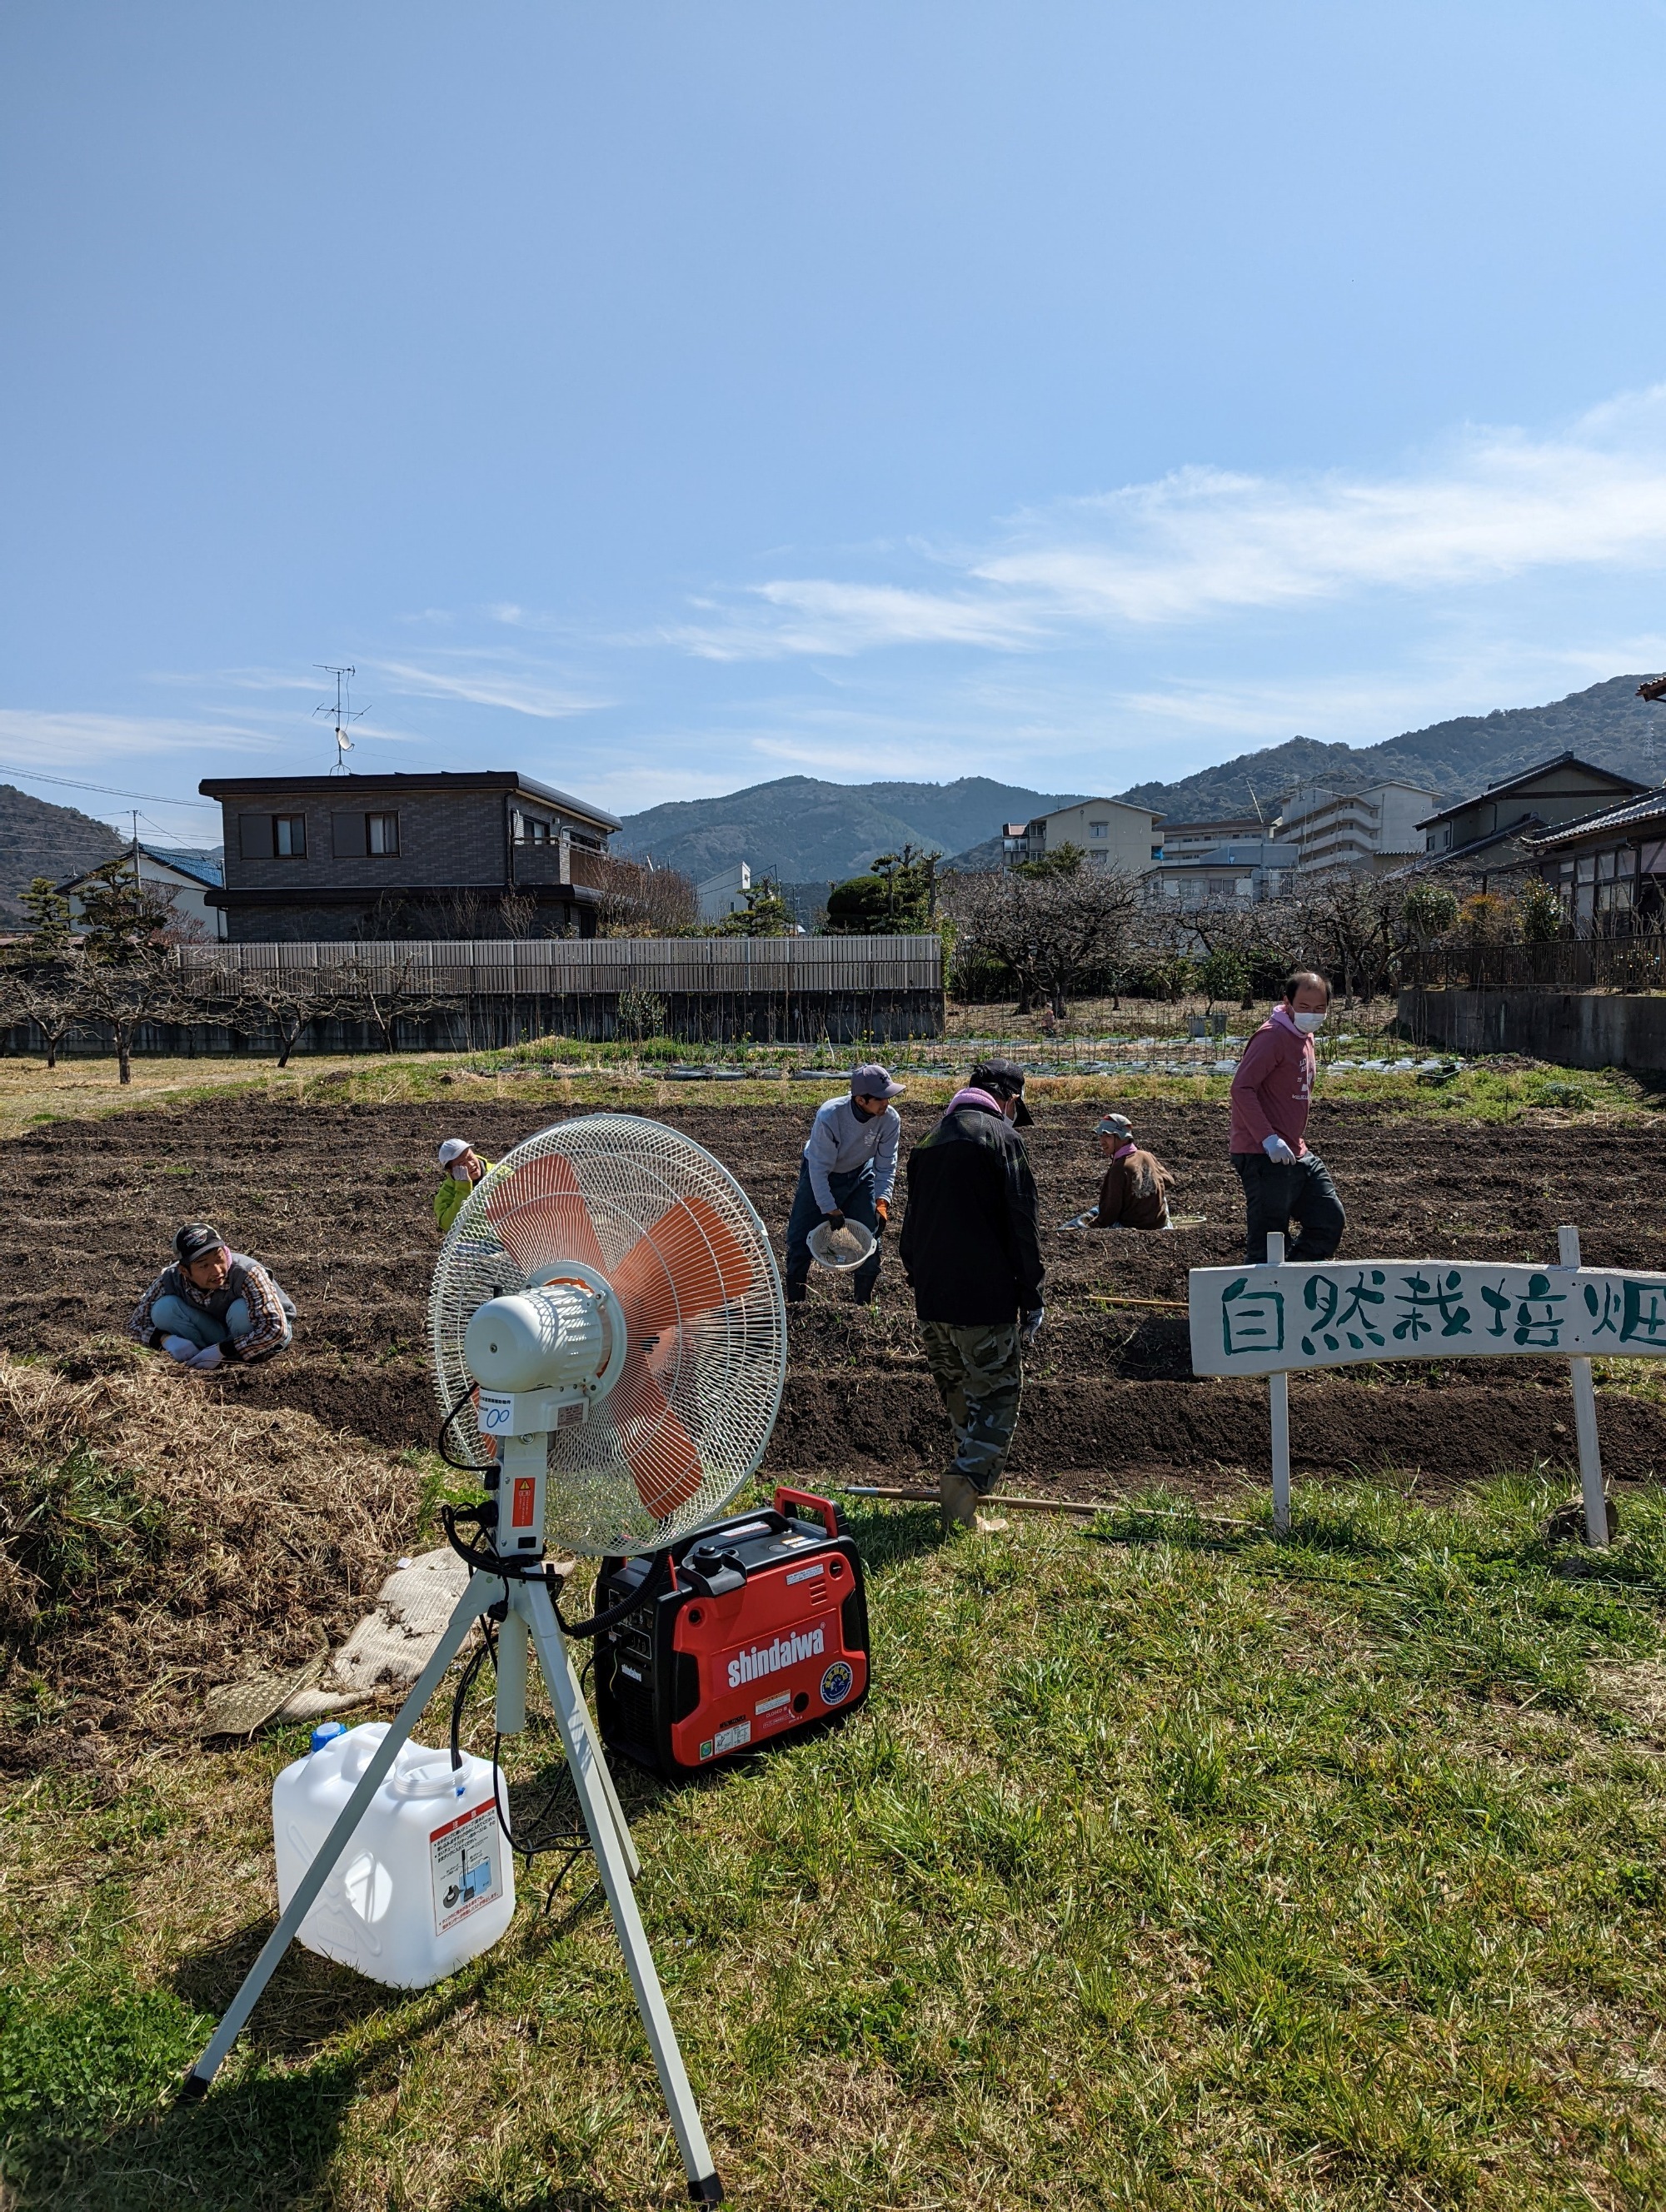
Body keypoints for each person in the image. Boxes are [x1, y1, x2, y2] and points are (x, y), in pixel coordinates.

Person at [899, 1058, 1045, 1531]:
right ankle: (964, 1483)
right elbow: (1023, 1224)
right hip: (984, 1300)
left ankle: (964, 1513)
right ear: (1008, 1099)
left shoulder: (927, 1143)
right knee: (998, 1396)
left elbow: (909, 1233)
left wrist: (922, 1283)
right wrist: (1032, 1293)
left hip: (933, 1302)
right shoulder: (1004, 1139)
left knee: (961, 1396)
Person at [1228, 969, 1346, 1264]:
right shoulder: (1273, 1037)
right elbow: (1241, 1088)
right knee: (1269, 1239)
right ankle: (1261, 1301)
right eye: (1304, 1007)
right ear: (1287, 1002)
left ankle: (1293, 1286)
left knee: (1328, 1220)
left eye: (1320, 1008)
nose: (1312, 1014)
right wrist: (1268, 1138)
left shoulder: (1305, 1036)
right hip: (1261, 1152)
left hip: (1295, 1149)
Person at [784, 1064, 905, 1306]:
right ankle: (795, 1306)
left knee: (871, 1238)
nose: (887, 1103)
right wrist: (830, 1208)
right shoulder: (831, 1115)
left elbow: (886, 1165)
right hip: (821, 1172)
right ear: (861, 1100)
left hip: (861, 1173)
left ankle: (863, 1305)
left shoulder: (890, 1120)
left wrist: (882, 1200)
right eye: (881, 1098)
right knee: (800, 1239)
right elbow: (818, 1170)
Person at [129, 1222, 296, 1370]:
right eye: (204, 1265)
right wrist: (164, 1339)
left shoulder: (247, 1272)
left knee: (241, 1311)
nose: (217, 1270)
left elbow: (275, 1329)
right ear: (185, 1271)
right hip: (215, 1335)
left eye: (219, 1258)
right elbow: (135, 1325)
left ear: (225, 1251)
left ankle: (236, 1362)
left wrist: (224, 1350)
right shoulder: (172, 1278)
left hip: (255, 1339)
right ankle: (202, 1360)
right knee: (164, 1309)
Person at [1086, 1113, 1174, 1230]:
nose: (1102, 1141)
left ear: (1123, 1138)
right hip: (1160, 1224)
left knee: (1092, 1214)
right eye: (1101, 1136)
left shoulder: (1118, 1169)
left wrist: (1090, 1226)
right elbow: (1170, 1182)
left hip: (1134, 1227)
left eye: (1107, 1136)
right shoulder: (1147, 1156)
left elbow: (1110, 1213)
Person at [434, 1138, 495, 1233]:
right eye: (462, 1164)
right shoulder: (447, 1191)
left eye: (470, 1158)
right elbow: (447, 1224)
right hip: (477, 1242)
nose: (470, 1164)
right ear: (451, 1171)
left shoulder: (499, 1172)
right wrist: (463, 1189)